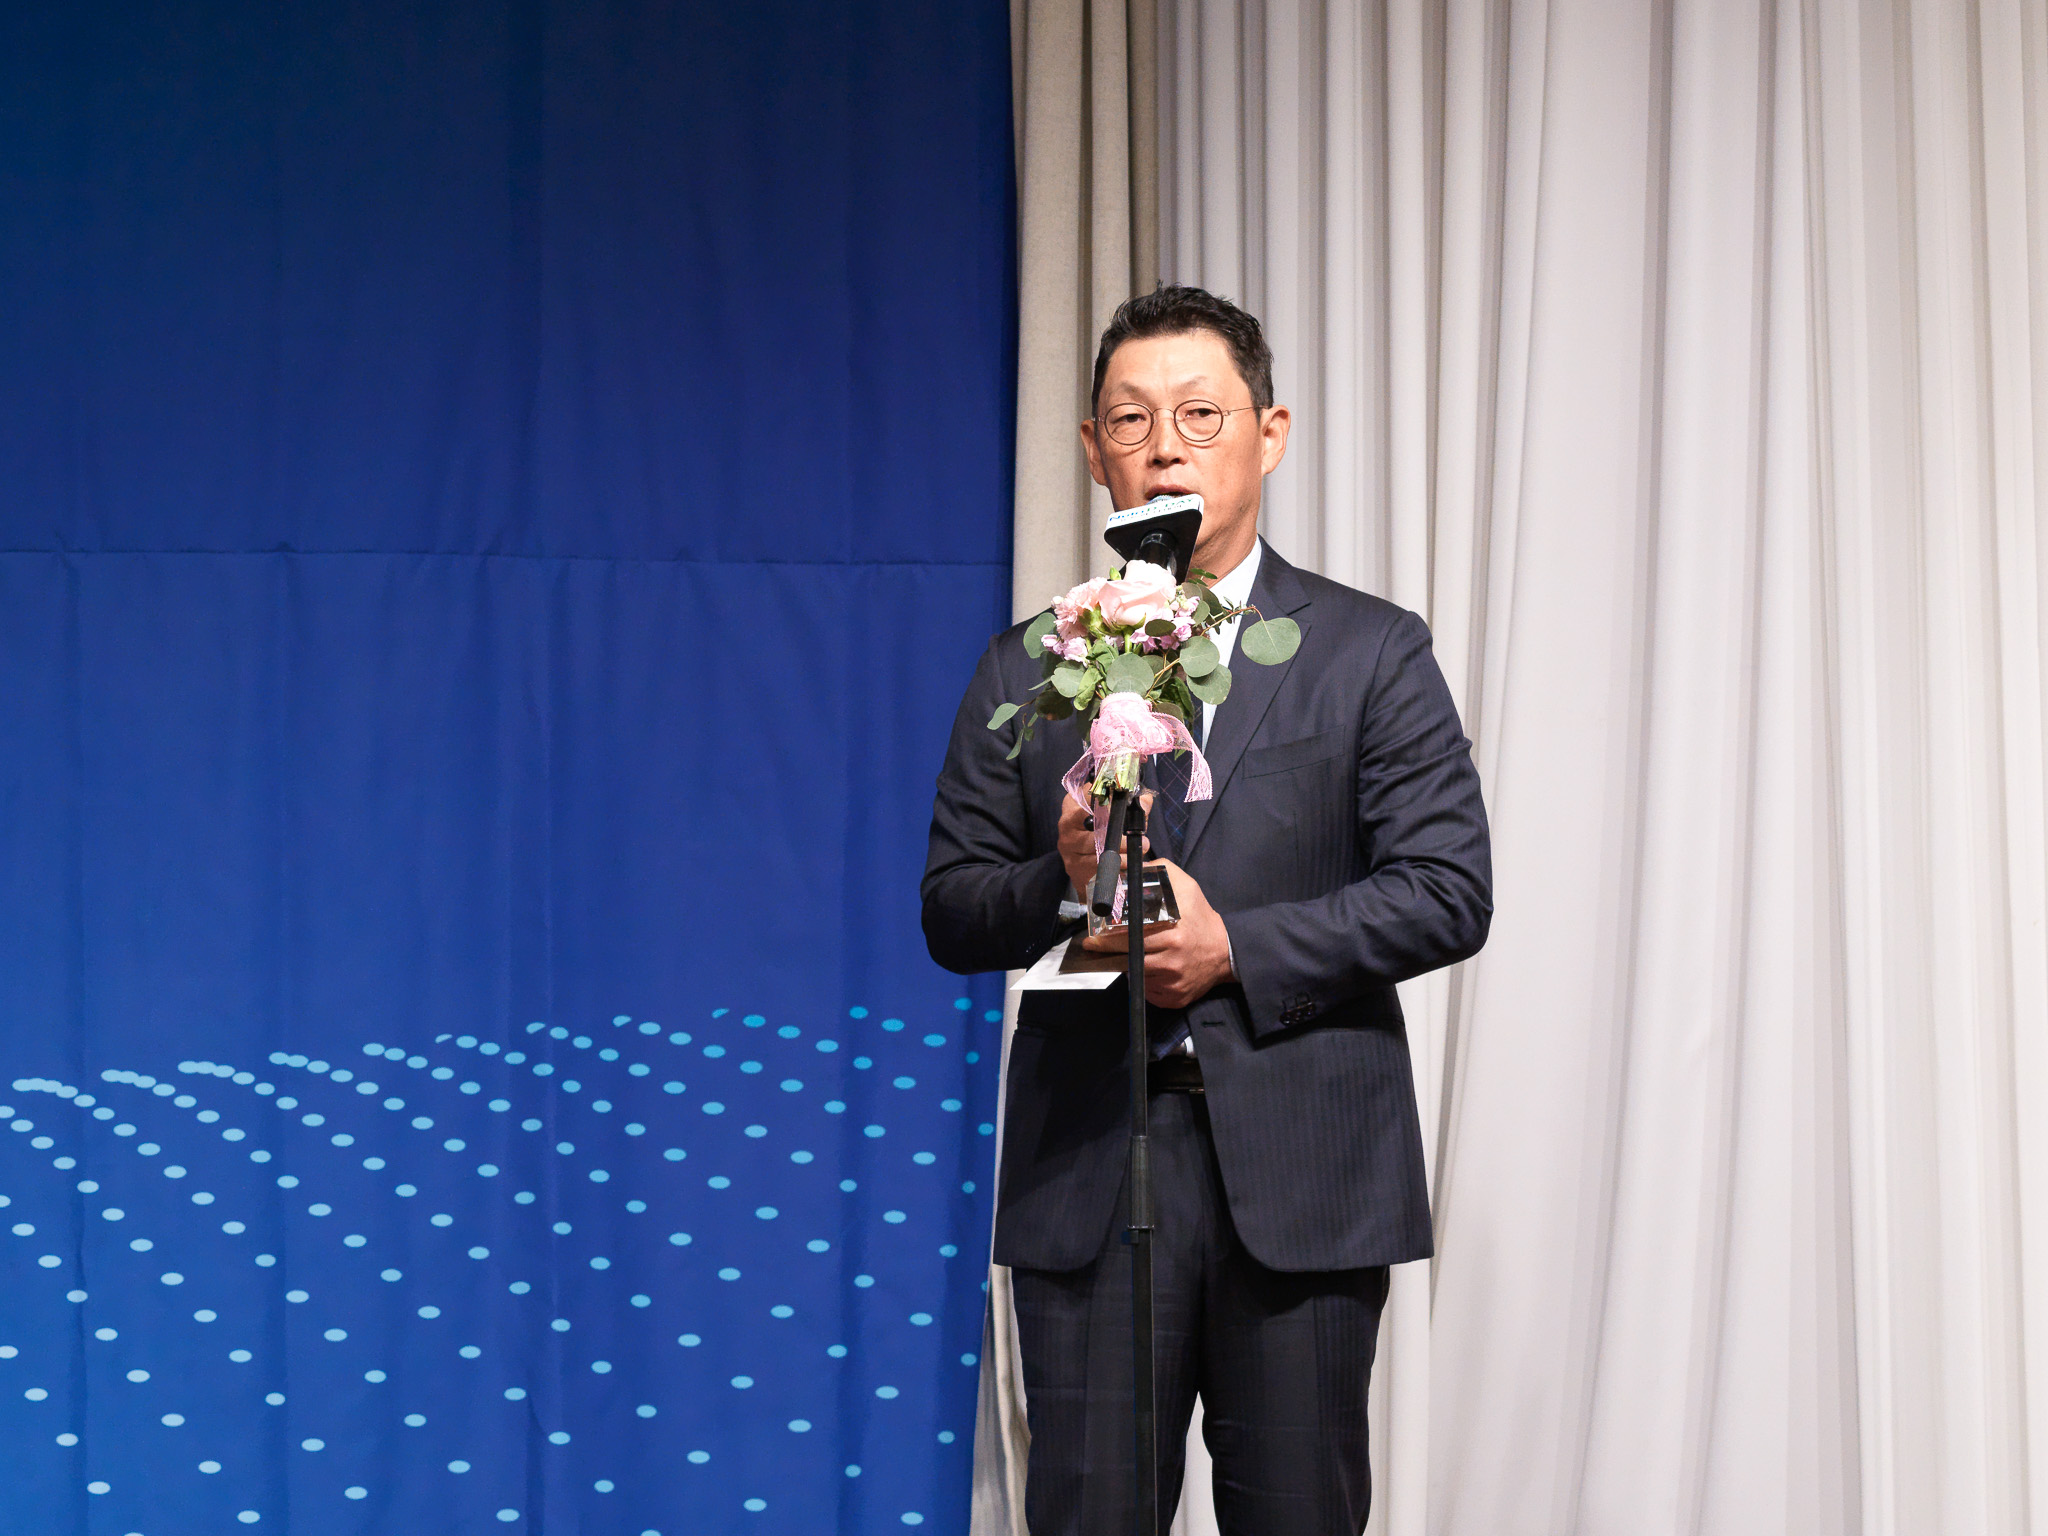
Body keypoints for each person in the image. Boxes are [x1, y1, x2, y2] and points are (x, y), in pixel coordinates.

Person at [922, 285, 1492, 1535]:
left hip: (1302, 1172)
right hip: (1088, 1170)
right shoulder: (1030, 662)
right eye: (1130, 420)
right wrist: (1061, 877)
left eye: (1198, 415)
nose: (1164, 447)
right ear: (1092, 450)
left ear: (1267, 434)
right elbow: (952, 909)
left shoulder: (1368, 651)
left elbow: (1446, 891)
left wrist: (1233, 946)